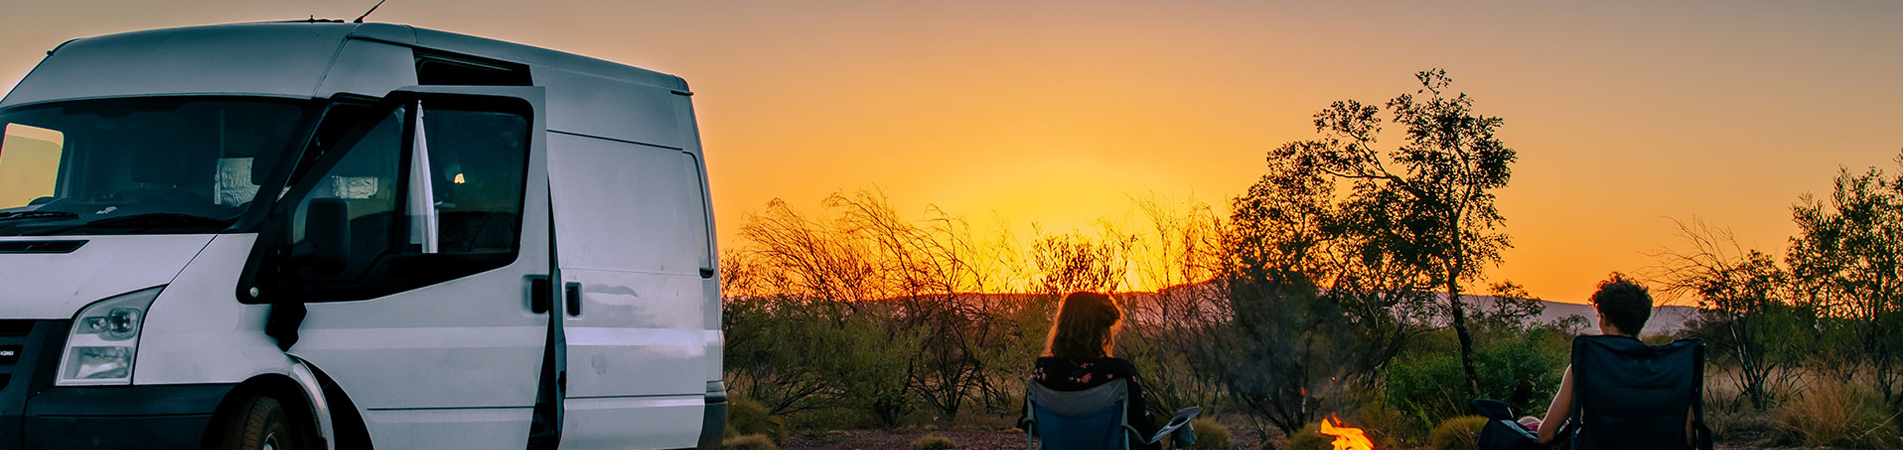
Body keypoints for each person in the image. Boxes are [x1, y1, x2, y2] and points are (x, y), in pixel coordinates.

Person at [1533, 274, 1695, 448]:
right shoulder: (1675, 369)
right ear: (1642, 318)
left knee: (1528, 422)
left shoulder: (1584, 366)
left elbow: (1545, 436)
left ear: (1604, 318)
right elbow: (1690, 440)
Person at [1030, 291, 1161, 450]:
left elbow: (1032, 423)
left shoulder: (1043, 370)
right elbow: (1141, 427)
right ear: (1102, 332)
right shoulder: (1118, 372)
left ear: (1062, 325)